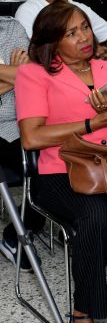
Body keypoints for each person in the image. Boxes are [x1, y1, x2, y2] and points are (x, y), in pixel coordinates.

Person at [15, 0, 107, 322]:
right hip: (61, 171)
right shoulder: (34, 74)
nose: (84, 36)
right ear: (52, 42)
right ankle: (84, 313)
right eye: (71, 33)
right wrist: (92, 123)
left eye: (85, 27)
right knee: (98, 217)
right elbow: (32, 137)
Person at [0, 17, 45, 272]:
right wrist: (16, 75)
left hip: (24, 121)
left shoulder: (11, 28)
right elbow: (23, 75)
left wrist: (20, 74)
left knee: (50, 166)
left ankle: (16, 232)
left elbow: (33, 75)